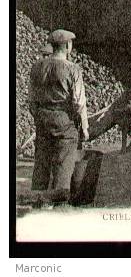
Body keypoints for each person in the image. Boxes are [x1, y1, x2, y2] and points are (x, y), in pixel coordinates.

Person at [28, 29, 89, 198]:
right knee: (63, 167)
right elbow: (78, 102)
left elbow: (31, 101)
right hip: (64, 122)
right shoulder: (73, 69)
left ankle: (36, 206)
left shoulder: (36, 67)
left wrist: (41, 116)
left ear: (52, 46)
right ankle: (58, 209)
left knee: (41, 167)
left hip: (42, 120)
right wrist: (84, 127)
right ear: (68, 45)